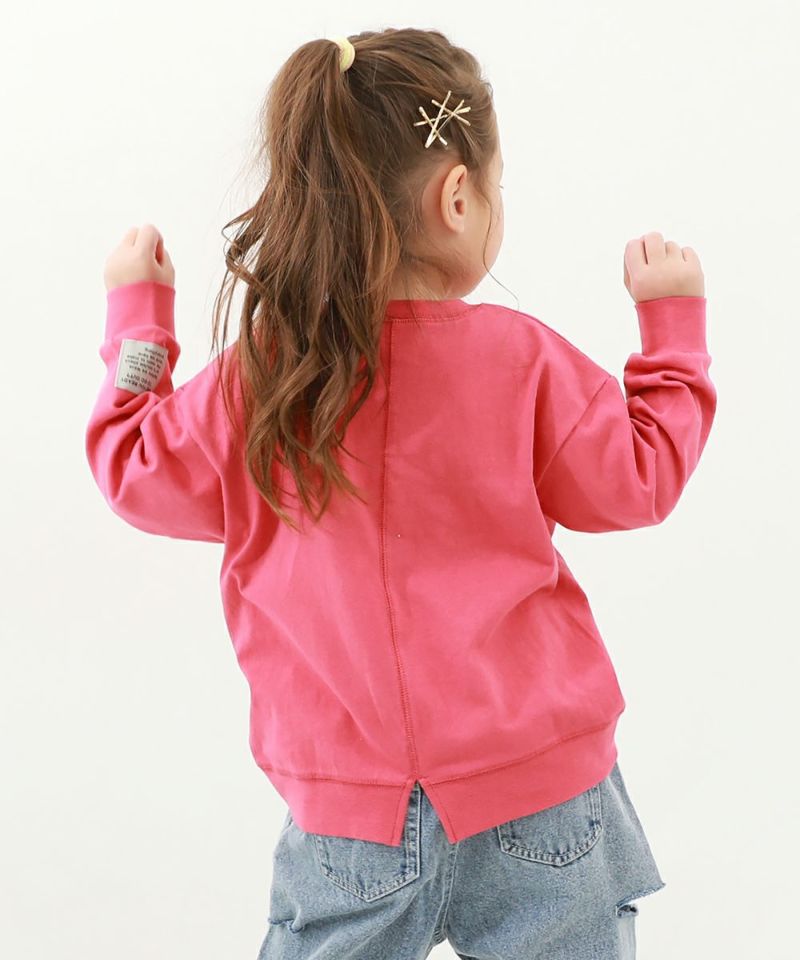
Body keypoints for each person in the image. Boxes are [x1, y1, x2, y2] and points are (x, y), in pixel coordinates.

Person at [85, 26, 717, 960]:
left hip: (352, 820)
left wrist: (139, 321)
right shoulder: (519, 360)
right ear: (457, 197)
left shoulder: (265, 375)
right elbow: (640, 477)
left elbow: (133, 466)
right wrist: (673, 332)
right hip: (545, 795)